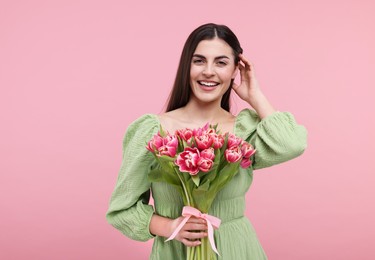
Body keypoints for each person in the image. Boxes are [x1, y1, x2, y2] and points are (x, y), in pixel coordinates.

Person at [106, 23, 307, 259]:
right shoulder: (153, 131)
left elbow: (292, 144)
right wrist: (171, 227)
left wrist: (255, 96)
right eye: (199, 61)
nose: (209, 71)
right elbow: (122, 210)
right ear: (186, 66)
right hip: (176, 252)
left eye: (221, 62)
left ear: (235, 70)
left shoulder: (244, 132)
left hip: (237, 249)